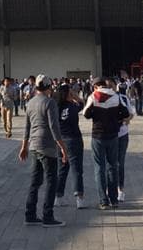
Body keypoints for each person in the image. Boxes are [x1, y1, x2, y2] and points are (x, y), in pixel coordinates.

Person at [19, 75, 67, 226]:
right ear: (48, 88)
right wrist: (63, 148)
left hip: (34, 146)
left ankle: (30, 214)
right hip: (47, 146)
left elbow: (27, 127)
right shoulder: (50, 102)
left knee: (35, 181)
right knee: (52, 180)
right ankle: (48, 215)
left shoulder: (30, 103)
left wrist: (23, 147)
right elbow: (54, 128)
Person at [83, 79, 129, 209]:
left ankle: (103, 201)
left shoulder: (93, 96)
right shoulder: (116, 96)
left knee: (99, 168)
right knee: (112, 166)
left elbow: (86, 114)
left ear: (96, 86)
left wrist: (95, 113)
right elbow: (125, 113)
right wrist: (116, 118)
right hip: (113, 136)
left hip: (98, 136)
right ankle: (114, 200)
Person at [55, 83, 85, 209]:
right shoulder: (73, 106)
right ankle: (79, 198)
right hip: (74, 140)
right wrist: (75, 96)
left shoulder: (56, 107)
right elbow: (82, 104)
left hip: (61, 141)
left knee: (62, 169)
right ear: (68, 94)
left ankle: (58, 197)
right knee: (76, 169)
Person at [115, 82, 135, 202]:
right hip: (107, 135)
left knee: (119, 163)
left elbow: (131, 113)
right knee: (109, 164)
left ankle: (120, 189)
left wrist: (126, 119)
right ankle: (109, 188)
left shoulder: (122, 98)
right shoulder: (100, 98)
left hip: (122, 134)